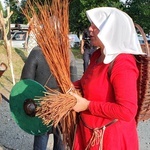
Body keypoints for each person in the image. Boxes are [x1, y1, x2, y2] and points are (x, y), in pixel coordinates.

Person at [70, 7, 144, 150]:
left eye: (96, 26)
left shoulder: (123, 62)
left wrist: (87, 106)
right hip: (88, 131)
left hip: (111, 139)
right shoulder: (98, 55)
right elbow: (86, 82)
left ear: (111, 30)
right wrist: (69, 86)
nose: (90, 29)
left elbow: (127, 111)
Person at [21, 46, 78, 150]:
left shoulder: (37, 51)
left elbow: (26, 80)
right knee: (60, 140)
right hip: (62, 106)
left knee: (41, 136)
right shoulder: (68, 52)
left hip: (43, 105)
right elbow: (74, 83)